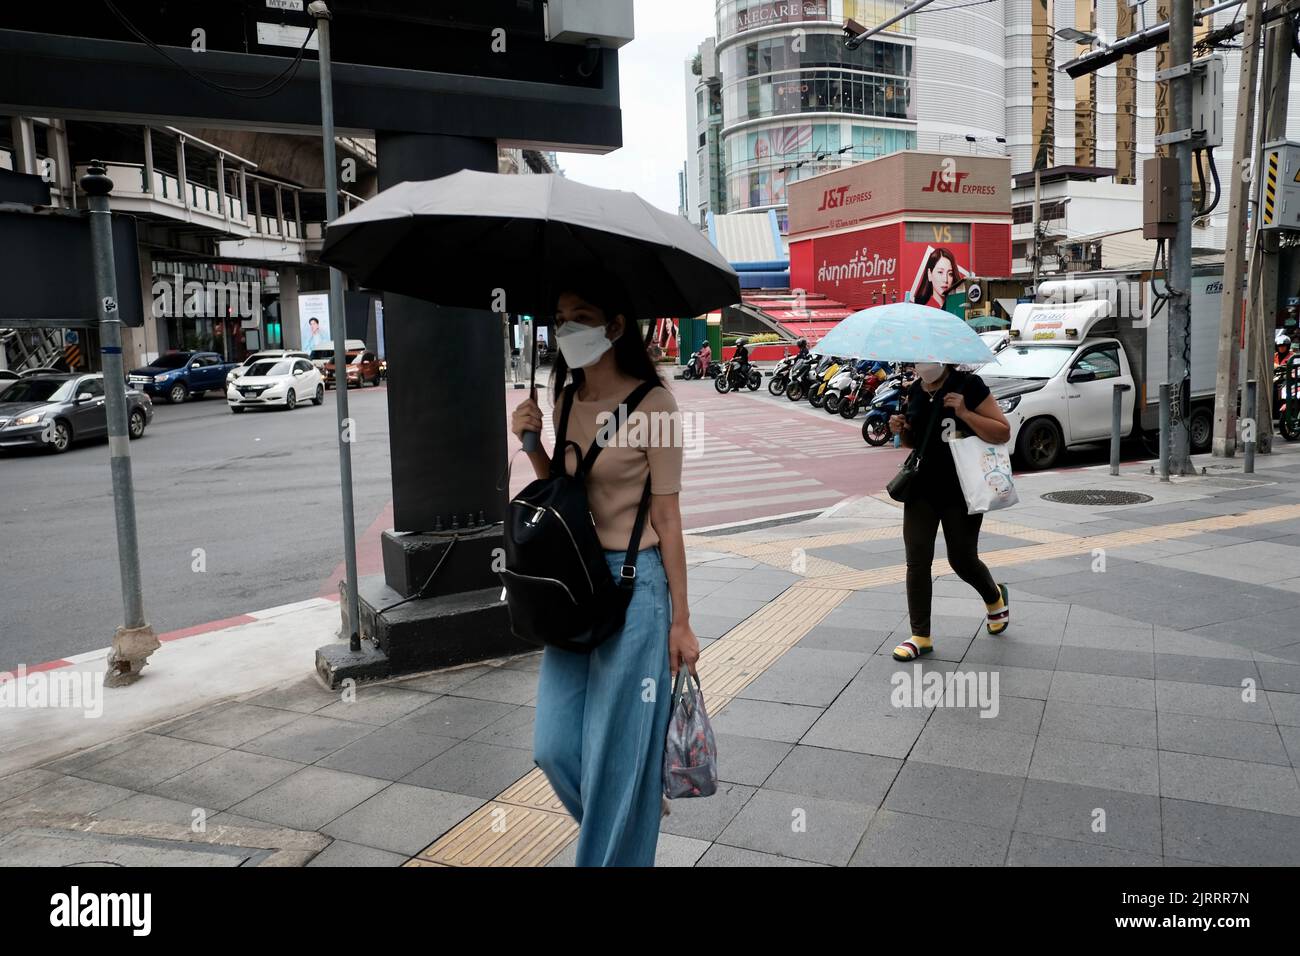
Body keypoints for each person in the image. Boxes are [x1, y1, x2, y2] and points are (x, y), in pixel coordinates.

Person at [509, 274, 698, 867]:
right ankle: (634, 804)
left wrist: (682, 623)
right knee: (555, 746)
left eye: (580, 316)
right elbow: (561, 491)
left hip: (638, 588)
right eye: (561, 316)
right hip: (579, 582)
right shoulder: (566, 399)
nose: (567, 329)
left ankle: (628, 805)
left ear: (615, 327)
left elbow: (668, 519)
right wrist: (531, 440)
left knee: (615, 761)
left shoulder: (655, 405)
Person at [887, 361, 1012, 661]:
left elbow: (1002, 432)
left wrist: (965, 412)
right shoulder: (915, 390)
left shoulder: (970, 385)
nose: (921, 362)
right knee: (917, 561)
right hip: (921, 490)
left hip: (962, 490)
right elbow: (915, 443)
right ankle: (920, 635)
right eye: (917, 357)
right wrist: (902, 430)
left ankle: (994, 597)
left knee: (962, 559)